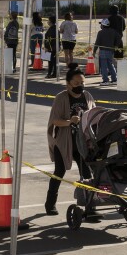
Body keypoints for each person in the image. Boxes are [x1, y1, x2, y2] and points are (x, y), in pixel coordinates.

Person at [45, 64, 96, 216]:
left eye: (82, 83)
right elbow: (54, 120)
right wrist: (69, 121)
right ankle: (50, 204)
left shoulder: (87, 96)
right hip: (64, 141)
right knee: (59, 172)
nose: (80, 86)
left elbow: (94, 114)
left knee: (87, 174)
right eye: (76, 83)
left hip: (82, 142)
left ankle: (90, 206)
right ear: (68, 84)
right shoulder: (61, 98)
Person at [92, 19, 121, 85]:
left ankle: (105, 80)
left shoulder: (100, 32)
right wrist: (116, 45)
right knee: (110, 65)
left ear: (103, 25)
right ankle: (114, 79)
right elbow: (119, 38)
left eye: (101, 24)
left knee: (103, 66)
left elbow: (97, 42)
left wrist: (94, 51)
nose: (101, 25)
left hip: (103, 51)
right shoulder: (113, 31)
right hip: (111, 50)